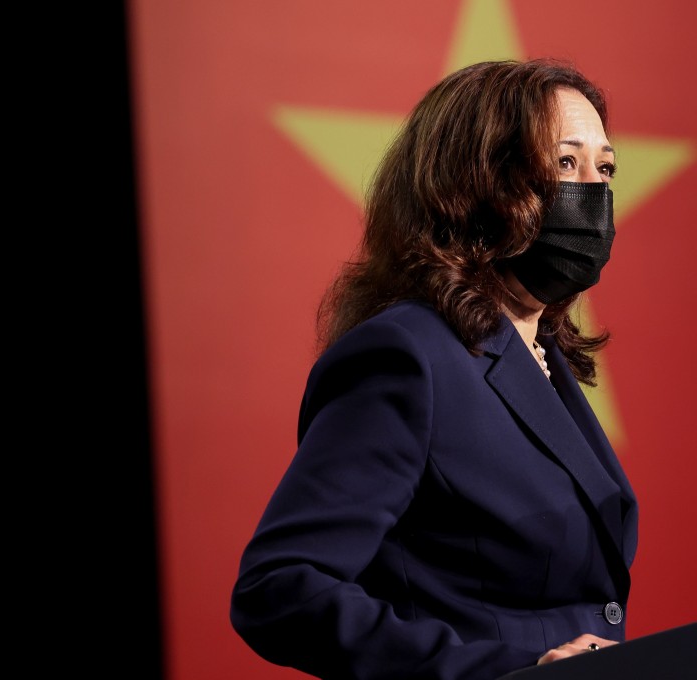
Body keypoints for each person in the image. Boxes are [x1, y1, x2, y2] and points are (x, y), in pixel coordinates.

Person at [230, 58, 638, 680]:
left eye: (604, 168)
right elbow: (280, 589)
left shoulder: (546, 362)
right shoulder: (406, 357)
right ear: (475, 183)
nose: (594, 192)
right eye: (563, 164)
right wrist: (506, 670)